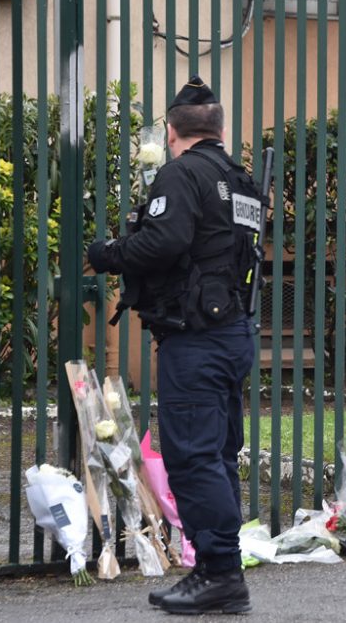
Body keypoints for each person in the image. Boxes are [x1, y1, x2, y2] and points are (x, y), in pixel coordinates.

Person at [86, 75, 260, 615]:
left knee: (191, 458)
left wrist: (110, 253)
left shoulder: (181, 174)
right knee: (218, 456)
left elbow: (165, 240)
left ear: (171, 130)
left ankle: (220, 574)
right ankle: (218, 567)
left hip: (198, 340)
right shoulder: (240, 179)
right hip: (234, 332)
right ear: (221, 129)